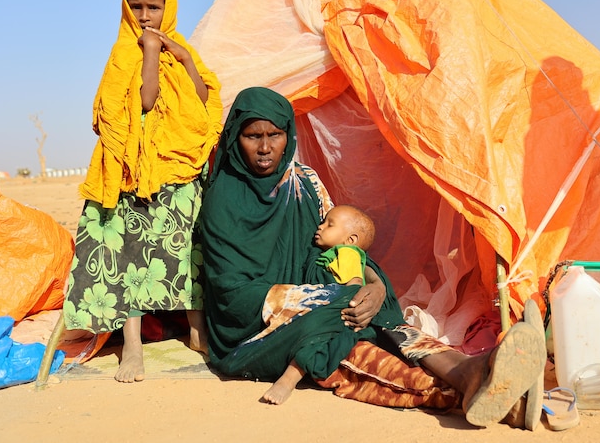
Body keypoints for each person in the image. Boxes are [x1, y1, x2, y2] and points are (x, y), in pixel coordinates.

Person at [200, 86, 547, 426]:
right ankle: (479, 386)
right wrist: (325, 299)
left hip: (325, 305)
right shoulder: (224, 199)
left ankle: (473, 376)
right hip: (255, 330)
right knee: (350, 348)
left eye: (274, 135)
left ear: (287, 134)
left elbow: (337, 251)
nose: (264, 148)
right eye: (252, 136)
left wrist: (376, 285)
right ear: (235, 139)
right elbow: (231, 294)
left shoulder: (305, 183)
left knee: (373, 322)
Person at [62, 0, 223, 383]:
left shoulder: (182, 47)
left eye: (154, 6)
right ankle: (131, 343)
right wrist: (151, 51)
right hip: (135, 173)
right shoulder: (125, 53)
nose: (145, 15)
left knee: (190, 249)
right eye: (136, 7)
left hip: (179, 168)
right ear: (125, 8)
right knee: (132, 252)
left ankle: (196, 329)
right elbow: (145, 102)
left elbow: (205, 99)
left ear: (168, 7)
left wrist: (182, 57)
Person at [260, 204, 376, 403]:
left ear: (350, 240)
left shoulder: (347, 253)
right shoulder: (331, 254)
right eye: (323, 222)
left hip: (337, 313)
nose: (320, 227)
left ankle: (288, 380)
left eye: (329, 224)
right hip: (326, 308)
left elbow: (353, 286)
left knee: (312, 342)